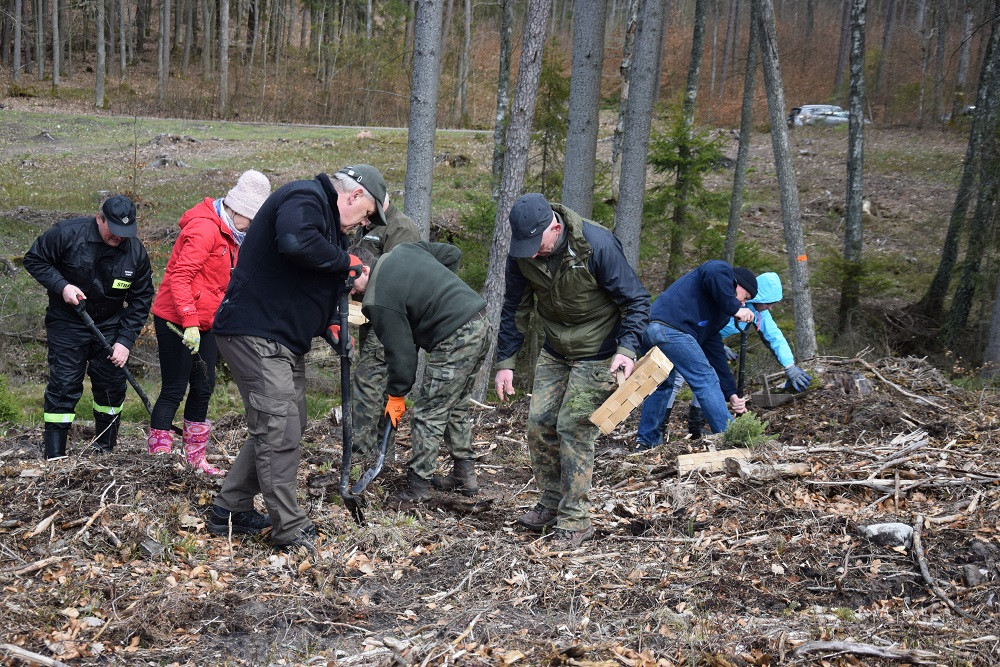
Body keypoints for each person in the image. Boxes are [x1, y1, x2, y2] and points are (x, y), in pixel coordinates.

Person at [204, 165, 377, 553]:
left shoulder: (329, 228)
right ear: (353, 196)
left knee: (288, 424)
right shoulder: (305, 197)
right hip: (255, 333)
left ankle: (230, 509)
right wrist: (345, 262)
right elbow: (296, 243)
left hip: (283, 341)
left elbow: (311, 280)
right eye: (365, 214)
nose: (362, 224)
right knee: (279, 429)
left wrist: (331, 324)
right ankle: (290, 528)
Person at [494, 193, 649, 548]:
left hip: (599, 350)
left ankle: (577, 519)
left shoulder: (596, 245)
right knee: (539, 423)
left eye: (537, 243)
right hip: (555, 348)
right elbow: (514, 308)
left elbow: (637, 300)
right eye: (525, 246)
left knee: (573, 427)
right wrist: (506, 363)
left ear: (555, 225)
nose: (532, 252)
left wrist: (627, 349)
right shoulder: (523, 255)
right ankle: (551, 503)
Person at [147, 170, 271, 474]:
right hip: (176, 319)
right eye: (252, 220)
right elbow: (180, 277)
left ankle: (195, 458)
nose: (253, 227)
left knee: (204, 386)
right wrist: (189, 320)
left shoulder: (234, 236)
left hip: (208, 322)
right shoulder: (204, 230)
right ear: (237, 210)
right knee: (175, 387)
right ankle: (160, 459)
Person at [350, 242, 491, 502]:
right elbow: (451, 253)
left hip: (456, 336)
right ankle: (464, 474)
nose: (353, 296)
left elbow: (402, 356)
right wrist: (439, 292)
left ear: (365, 270)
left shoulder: (378, 300)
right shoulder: (403, 250)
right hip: (480, 320)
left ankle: (417, 487)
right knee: (455, 404)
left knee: (428, 412)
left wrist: (396, 395)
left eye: (351, 287)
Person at [24, 195, 154, 459]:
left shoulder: (136, 253)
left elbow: (141, 299)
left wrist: (125, 341)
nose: (119, 237)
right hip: (68, 322)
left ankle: (104, 449)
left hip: (111, 326)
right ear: (100, 219)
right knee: (64, 384)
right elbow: (34, 260)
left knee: (111, 385)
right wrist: (62, 286)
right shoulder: (67, 234)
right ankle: (55, 456)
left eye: (125, 233)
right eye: (114, 230)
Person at [635, 272, 811, 449]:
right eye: (769, 303)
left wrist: (789, 366)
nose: (770, 308)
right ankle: (729, 438)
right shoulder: (727, 298)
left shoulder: (759, 314)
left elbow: (774, 337)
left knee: (687, 378)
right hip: (682, 334)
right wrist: (726, 327)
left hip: (693, 338)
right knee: (696, 379)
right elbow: (705, 316)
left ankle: (672, 432)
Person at [633, 260, 756, 452]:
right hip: (670, 329)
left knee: (662, 382)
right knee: (705, 379)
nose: (743, 302)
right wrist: (736, 308)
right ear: (736, 283)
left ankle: (646, 442)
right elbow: (712, 271)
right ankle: (731, 440)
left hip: (649, 331)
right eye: (745, 296)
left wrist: (731, 393)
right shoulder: (721, 271)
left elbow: (716, 356)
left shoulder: (717, 315)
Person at [348, 192, 421, 460]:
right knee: (374, 386)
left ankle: (360, 456)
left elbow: (399, 278)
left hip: (392, 318)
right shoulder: (365, 226)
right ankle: (379, 457)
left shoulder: (401, 228)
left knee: (368, 382)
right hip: (370, 317)